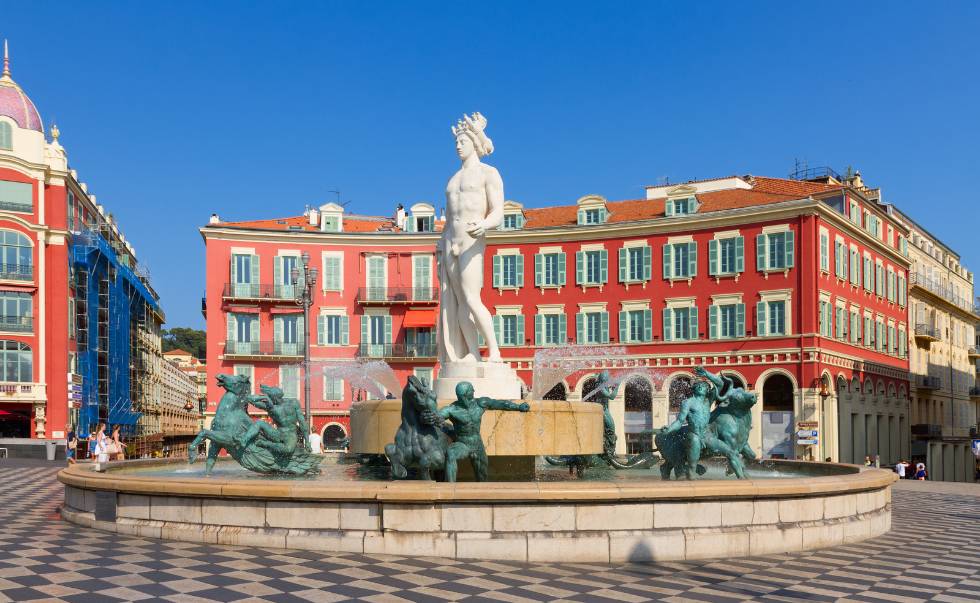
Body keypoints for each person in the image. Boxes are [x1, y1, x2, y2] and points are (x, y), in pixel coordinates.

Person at [437, 112, 505, 363]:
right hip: (450, 241)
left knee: (472, 297)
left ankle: (494, 351)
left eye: (462, 142)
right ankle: (472, 354)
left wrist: (485, 224)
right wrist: (440, 245)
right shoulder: (452, 180)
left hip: (471, 237)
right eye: (456, 142)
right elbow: (449, 216)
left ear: (474, 144)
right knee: (459, 302)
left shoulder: (488, 173)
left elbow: (499, 210)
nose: (457, 146)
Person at [423, 381, 529, 482]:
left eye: (471, 392)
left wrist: (518, 407)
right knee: (451, 453)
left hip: (478, 445)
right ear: (463, 395)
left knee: (482, 477)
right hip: (462, 444)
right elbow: (439, 415)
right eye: (470, 391)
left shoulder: (480, 403)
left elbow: (501, 404)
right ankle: (450, 489)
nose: (473, 392)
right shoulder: (452, 409)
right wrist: (430, 418)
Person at [661, 380, 713, 480]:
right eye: (697, 385)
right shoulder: (688, 402)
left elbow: (719, 384)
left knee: (724, 445)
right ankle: (691, 472)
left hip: (706, 433)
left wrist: (706, 374)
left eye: (703, 385)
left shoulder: (708, 401)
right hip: (694, 433)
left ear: (707, 390)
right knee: (694, 440)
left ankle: (736, 466)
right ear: (693, 389)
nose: (700, 387)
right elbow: (680, 421)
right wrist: (669, 429)